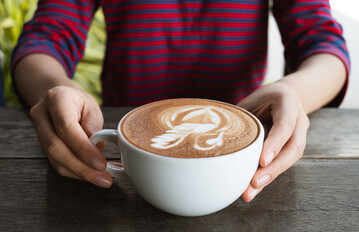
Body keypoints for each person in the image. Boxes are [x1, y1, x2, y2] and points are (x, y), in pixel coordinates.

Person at [11, 0, 350, 202]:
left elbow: (323, 44)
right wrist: (54, 86)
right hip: (127, 172)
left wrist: (294, 91)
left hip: (240, 159)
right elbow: (46, 36)